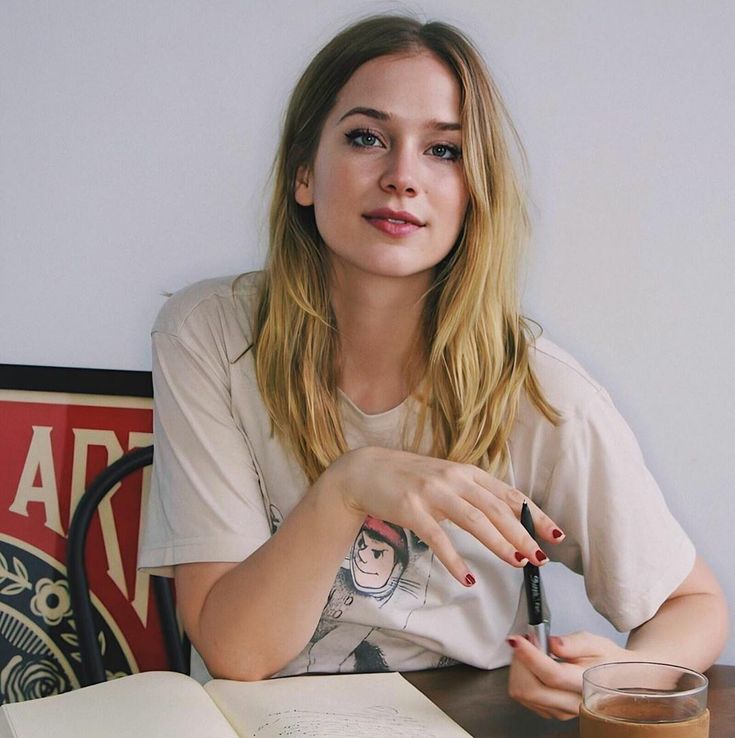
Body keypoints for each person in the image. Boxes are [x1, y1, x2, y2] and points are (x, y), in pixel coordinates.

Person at [138, 14, 728, 720]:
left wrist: (624, 673)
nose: (401, 178)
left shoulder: (541, 393)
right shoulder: (210, 334)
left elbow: (692, 603)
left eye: (443, 150)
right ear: (303, 172)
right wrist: (347, 488)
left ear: (473, 190)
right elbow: (237, 652)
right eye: (366, 138)